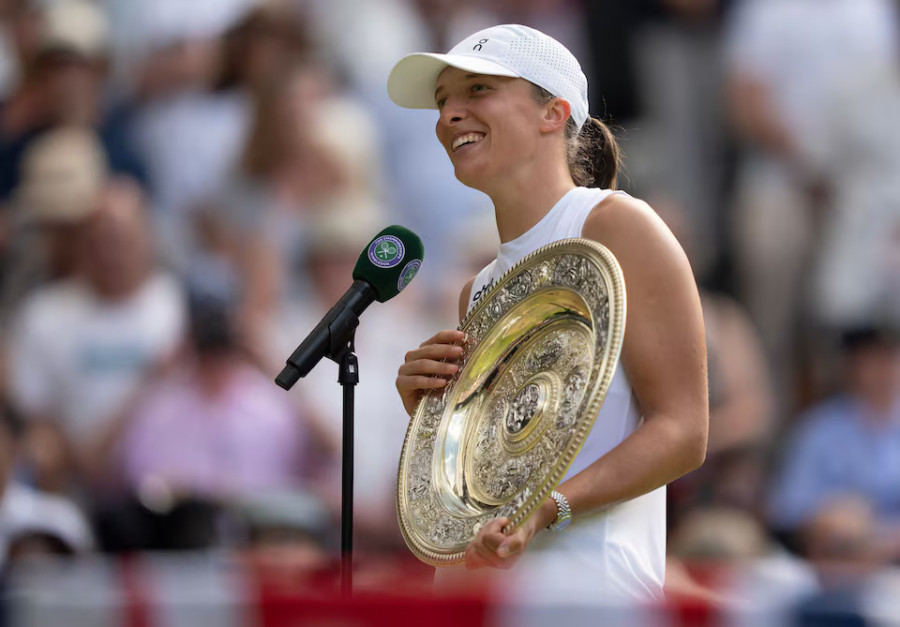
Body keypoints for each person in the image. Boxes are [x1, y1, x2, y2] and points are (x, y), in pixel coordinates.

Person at [389, 24, 708, 601]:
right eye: (442, 103)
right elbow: (485, 481)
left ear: (553, 113)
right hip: (481, 598)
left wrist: (547, 510)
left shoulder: (620, 226)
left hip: (593, 597)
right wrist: (432, 423)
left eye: (477, 91)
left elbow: (684, 431)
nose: (448, 117)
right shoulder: (477, 290)